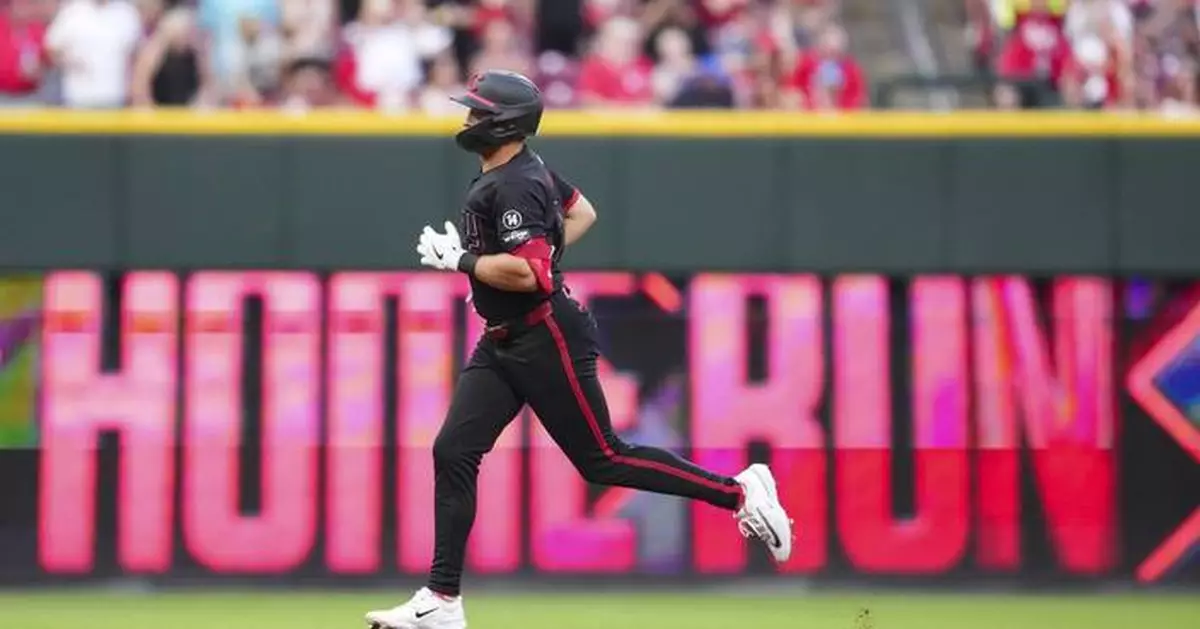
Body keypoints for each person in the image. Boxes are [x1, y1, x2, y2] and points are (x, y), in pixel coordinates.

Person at [363, 69, 794, 629]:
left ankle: (740, 493)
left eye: (477, 111)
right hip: (504, 340)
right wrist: (498, 280)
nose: (467, 119)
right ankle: (442, 601)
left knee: (603, 458)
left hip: (544, 336)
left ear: (504, 122)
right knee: (454, 451)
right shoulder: (522, 169)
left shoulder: (514, 182)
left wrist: (463, 263)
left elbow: (532, 276)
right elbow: (582, 211)